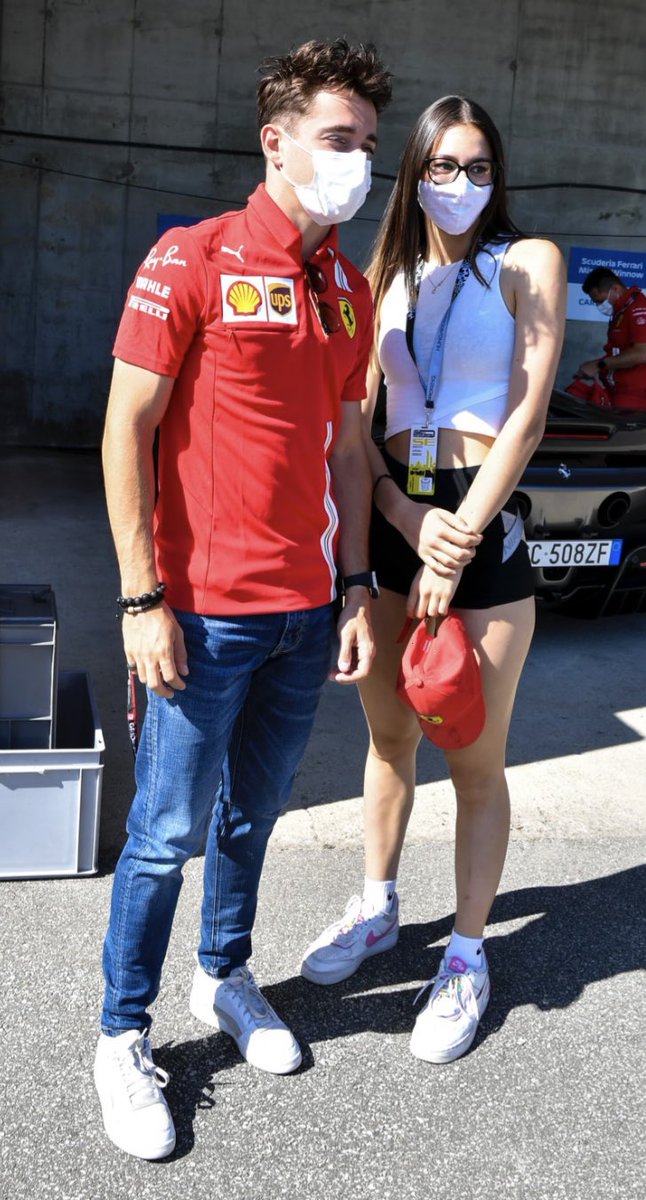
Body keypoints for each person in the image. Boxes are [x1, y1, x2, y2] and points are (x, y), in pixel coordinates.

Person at [94, 39, 392, 1160]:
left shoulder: (347, 287)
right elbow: (125, 428)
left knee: (251, 820)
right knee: (164, 834)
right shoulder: (193, 258)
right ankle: (122, 1036)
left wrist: (356, 588)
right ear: (275, 142)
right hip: (201, 613)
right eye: (336, 139)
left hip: (306, 610)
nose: (356, 162)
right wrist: (141, 598)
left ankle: (224, 977)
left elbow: (350, 453)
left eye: (366, 144)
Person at [301, 95, 566, 1064]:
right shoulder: (383, 275)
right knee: (385, 735)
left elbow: (528, 413)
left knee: (473, 755)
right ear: (413, 174)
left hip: (479, 523)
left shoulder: (526, 260)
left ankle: (464, 955)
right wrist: (404, 520)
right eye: (443, 168)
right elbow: (355, 426)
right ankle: (375, 905)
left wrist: (457, 536)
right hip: (395, 514)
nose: (462, 186)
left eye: (479, 166)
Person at [579, 267, 646, 410]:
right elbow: (618, 353)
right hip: (615, 392)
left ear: (615, 289)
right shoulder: (621, 312)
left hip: (631, 398)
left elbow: (641, 354)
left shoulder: (640, 309)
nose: (599, 306)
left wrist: (598, 365)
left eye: (600, 300)